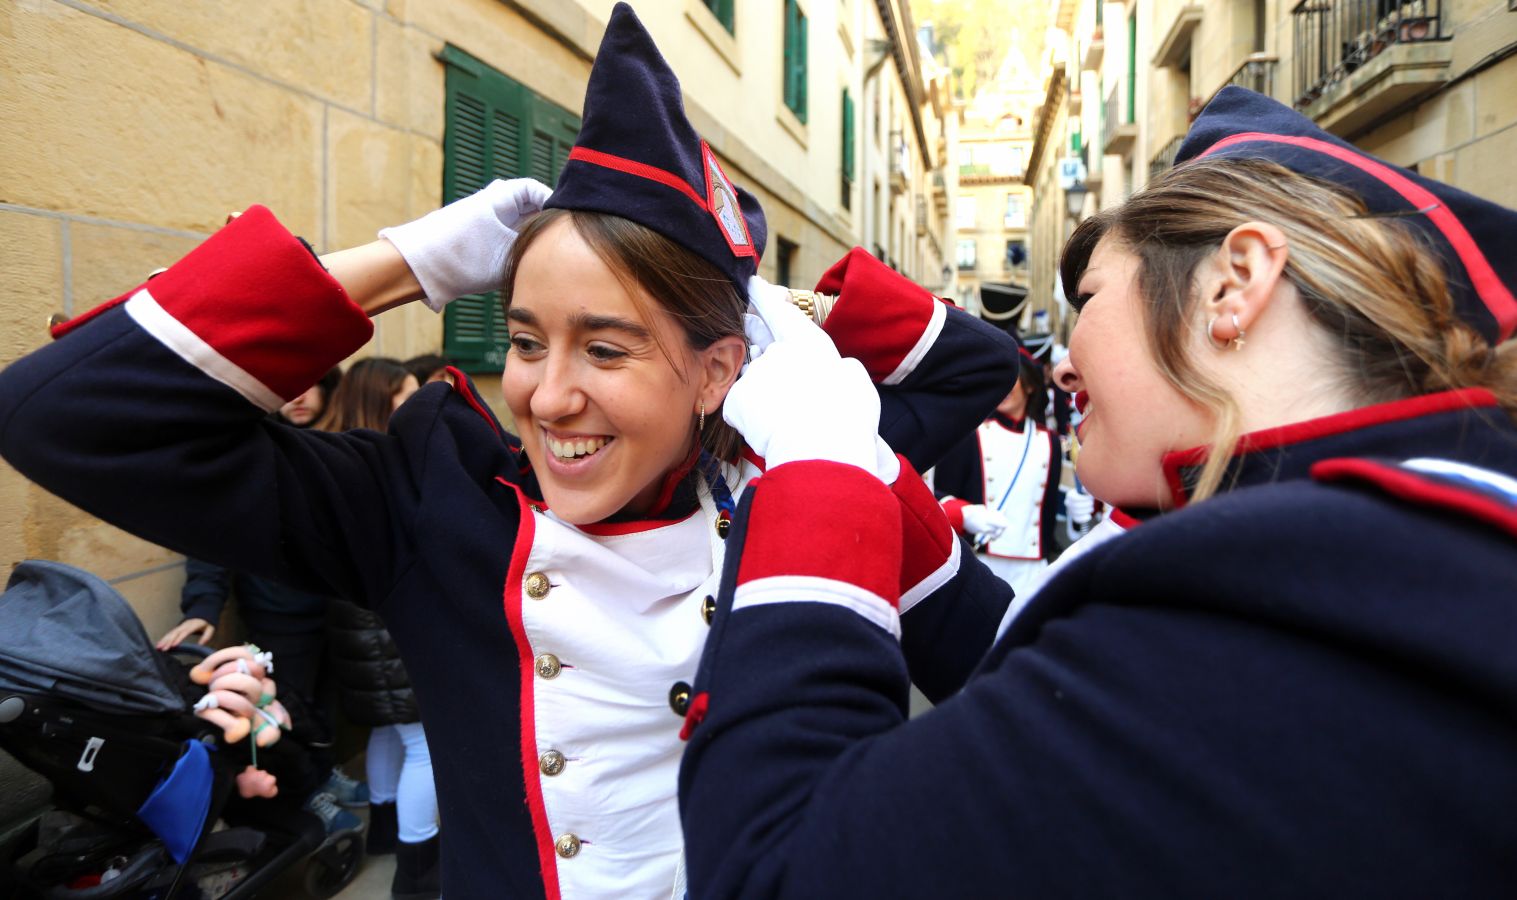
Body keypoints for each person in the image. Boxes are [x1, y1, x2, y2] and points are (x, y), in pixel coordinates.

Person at [0, 5, 1016, 897]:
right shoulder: (432, 502)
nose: (545, 392)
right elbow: (63, 414)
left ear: (717, 373)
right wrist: (411, 261)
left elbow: (1011, 653)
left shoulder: (802, 489)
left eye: (604, 346)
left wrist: (781, 305)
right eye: (526, 339)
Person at [675, 85, 1517, 898]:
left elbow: (772, 867)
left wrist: (816, 472)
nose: (1065, 361)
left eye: (1088, 299)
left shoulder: (1273, 590)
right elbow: (1034, 681)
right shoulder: (1386, 541)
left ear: (1233, 284)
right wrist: (864, 467)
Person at [932, 343, 1066, 597]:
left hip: (1033, 570)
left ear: (1030, 385)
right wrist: (966, 513)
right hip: (982, 563)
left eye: (1011, 379)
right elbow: (938, 495)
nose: (1002, 386)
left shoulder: (1049, 441)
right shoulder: (971, 434)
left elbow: (1046, 510)